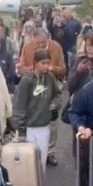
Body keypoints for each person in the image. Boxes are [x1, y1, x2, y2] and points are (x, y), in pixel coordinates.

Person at [19, 28, 66, 166]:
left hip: (52, 81)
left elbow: (63, 69)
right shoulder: (27, 48)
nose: (39, 45)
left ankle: (50, 151)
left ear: (48, 39)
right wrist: (35, 69)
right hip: (32, 82)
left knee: (52, 121)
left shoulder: (56, 47)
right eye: (37, 43)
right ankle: (33, 150)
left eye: (42, 43)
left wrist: (50, 68)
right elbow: (21, 69)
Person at [12, 49, 62, 172]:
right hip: (29, 128)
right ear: (35, 63)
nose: (46, 66)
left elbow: (58, 94)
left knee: (41, 164)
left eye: (48, 63)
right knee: (29, 167)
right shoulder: (26, 80)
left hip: (44, 127)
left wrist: (54, 105)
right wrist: (21, 131)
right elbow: (19, 106)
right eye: (43, 63)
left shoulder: (50, 77)